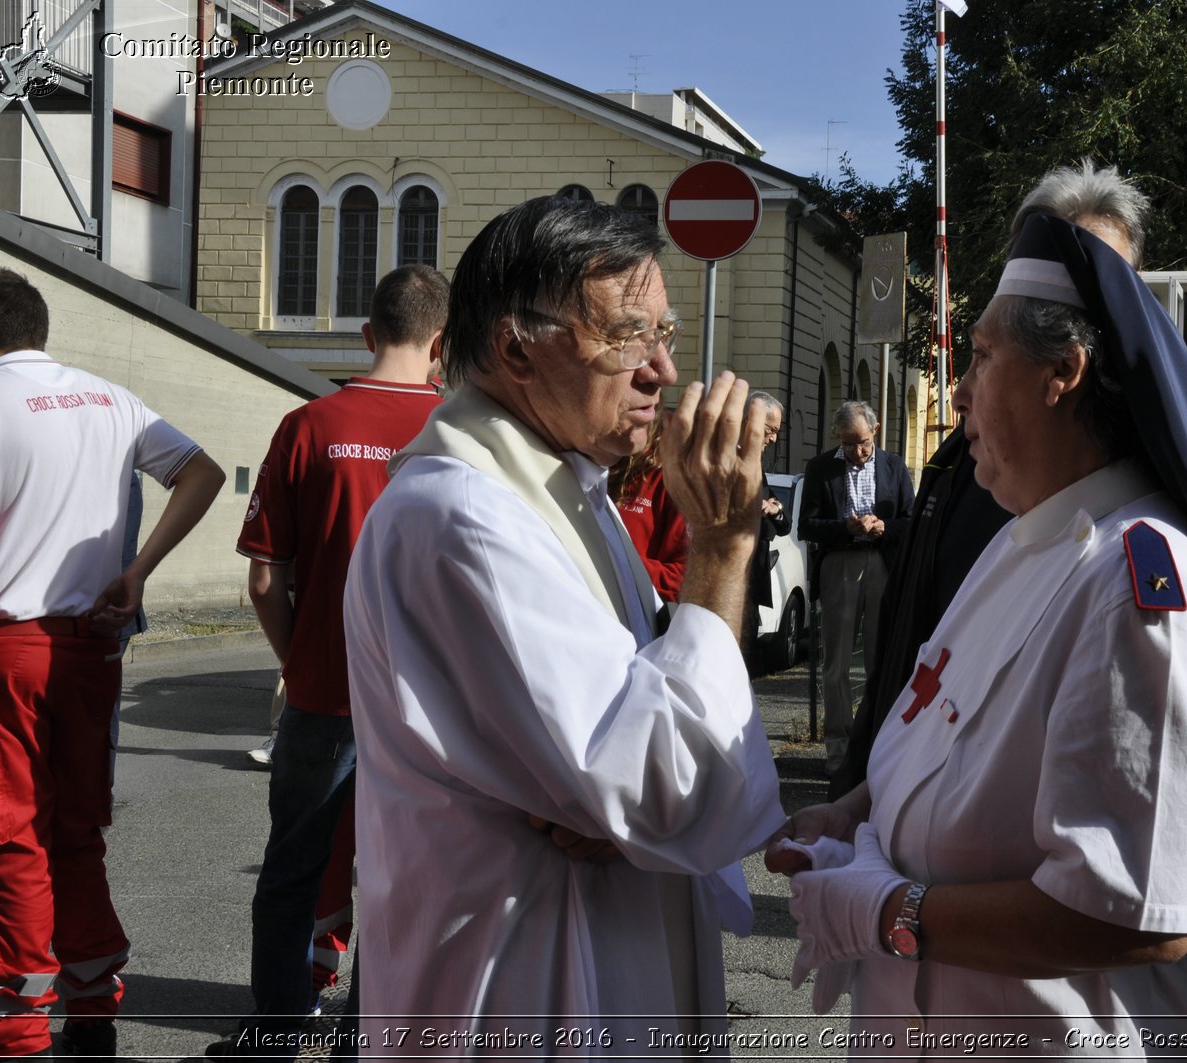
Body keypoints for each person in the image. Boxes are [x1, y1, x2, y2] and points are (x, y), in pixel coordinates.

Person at [767, 210, 1187, 1052]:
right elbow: (947, 739)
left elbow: (1134, 913)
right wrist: (854, 816)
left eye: (979, 357)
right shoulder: (1024, 535)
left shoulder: (1138, 588)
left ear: (1063, 373)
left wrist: (886, 910)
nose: (960, 391)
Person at [341, 197, 784, 1052]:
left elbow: (639, 764)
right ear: (516, 346)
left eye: (667, 333)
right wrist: (723, 547)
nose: (660, 368)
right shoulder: (465, 515)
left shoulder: (565, 489)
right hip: (527, 985)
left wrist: (619, 813)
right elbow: (668, 783)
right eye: (626, 337)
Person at [833, 158, 1187, 797]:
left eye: (1096, 270)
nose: (1076, 289)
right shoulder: (972, 465)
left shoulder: (1185, 472)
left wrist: (889, 901)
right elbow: (914, 643)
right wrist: (866, 793)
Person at [0, 266, 225, 1059]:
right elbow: (202, 471)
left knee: (7, 831)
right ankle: (90, 1007)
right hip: (91, 648)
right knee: (75, 828)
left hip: (5, 652)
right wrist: (138, 568)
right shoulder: (108, 396)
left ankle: (16, 1026)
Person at [207, 265, 447, 1057]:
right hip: (426, 708)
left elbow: (264, 578)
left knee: (292, 873)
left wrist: (299, 657)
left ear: (368, 333)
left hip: (323, 694)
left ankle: (276, 1031)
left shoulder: (308, 425)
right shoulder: (463, 431)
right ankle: (369, 1037)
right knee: (401, 883)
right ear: (441, 343)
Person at [799, 401, 913, 773]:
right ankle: (838, 747)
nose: (856, 452)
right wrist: (844, 527)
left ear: (875, 431)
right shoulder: (821, 468)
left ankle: (876, 744)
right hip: (840, 563)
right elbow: (808, 526)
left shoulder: (894, 466)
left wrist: (883, 527)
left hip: (882, 562)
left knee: (881, 660)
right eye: (847, 445)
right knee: (837, 662)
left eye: (861, 443)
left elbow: (911, 522)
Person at [610, 414, 688, 603]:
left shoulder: (670, 479)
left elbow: (683, 576)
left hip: (633, 615)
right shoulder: (583, 464)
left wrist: (614, 566)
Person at [748, 392, 790, 648]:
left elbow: (784, 523)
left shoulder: (756, 464)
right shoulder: (724, 458)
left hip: (752, 583)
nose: (774, 438)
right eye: (770, 429)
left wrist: (775, 509)